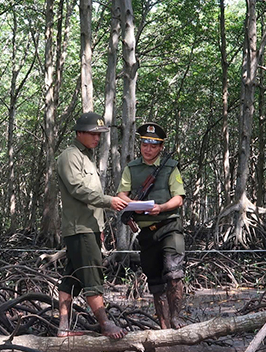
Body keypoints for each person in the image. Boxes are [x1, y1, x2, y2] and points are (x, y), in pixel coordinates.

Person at [55, 111, 130, 339]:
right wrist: (110, 201)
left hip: (90, 228)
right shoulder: (70, 156)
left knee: (72, 278)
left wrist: (102, 228)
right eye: (93, 134)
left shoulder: (87, 157)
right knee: (92, 276)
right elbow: (78, 189)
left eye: (100, 135)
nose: (97, 139)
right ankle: (106, 324)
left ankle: (63, 327)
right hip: (80, 229)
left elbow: (91, 196)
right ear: (79, 133)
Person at [117, 122, 186, 329]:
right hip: (146, 234)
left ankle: (176, 320)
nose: (148, 149)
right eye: (145, 144)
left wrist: (162, 207)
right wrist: (132, 205)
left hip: (169, 227)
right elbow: (122, 194)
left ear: (160, 147)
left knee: (174, 274)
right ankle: (164, 326)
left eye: (153, 146)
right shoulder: (132, 168)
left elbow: (179, 198)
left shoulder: (170, 167)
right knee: (155, 283)